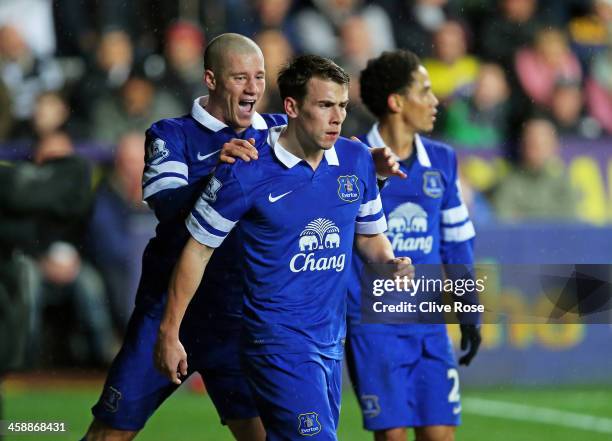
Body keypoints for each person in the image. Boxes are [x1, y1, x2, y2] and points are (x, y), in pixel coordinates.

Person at [155, 54, 411, 441]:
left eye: (342, 106)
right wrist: (169, 331)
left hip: (329, 340)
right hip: (276, 342)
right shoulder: (247, 169)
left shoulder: (356, 159)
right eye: (324, 105)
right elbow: (197, 249)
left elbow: (369, 235)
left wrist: (389, 264)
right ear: (291, 107)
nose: (337, 118)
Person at [82, 33, 285, 441]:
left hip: (241, 317)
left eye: (260, 77)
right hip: (171, 315)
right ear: (211, 79)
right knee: (111, 433)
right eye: (240, 77)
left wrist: (376, 174)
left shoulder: (280, 133)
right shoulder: (170, 134)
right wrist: (220, 177)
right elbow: (166, 204)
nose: (253, 89)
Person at [345, 49, 481, 441]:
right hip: (373, 324)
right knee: (392, 437)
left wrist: (468, 310)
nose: (435, 100)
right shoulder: (353, 158)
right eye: (425, 90)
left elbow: (457, 244)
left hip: (428, 321)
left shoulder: (442, 160)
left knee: (440, 434)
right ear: (396, 102)